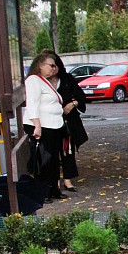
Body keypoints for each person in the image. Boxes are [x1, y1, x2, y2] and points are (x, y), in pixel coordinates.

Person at [23, 51, 67, 202]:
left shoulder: (45, 81)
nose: (53, 68)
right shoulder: (33, 80)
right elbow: (32, 104)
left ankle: (54, 189)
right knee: (43, 160)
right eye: (51, 65)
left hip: (53, 126)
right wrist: (37, 125)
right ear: (40, 65)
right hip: (41, 125)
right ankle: (43, 192)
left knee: (54, 159)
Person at [48, 52, 86, 193]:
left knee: (67, 150)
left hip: (67, 121)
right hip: (50, 120)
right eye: (50, 66)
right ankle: (54, 180)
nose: (53, 69)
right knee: (53, 151)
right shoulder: (41, 82)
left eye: (55, 66)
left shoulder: (67, 79)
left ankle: (68, 180)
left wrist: (73, 104)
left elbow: (81, 96)